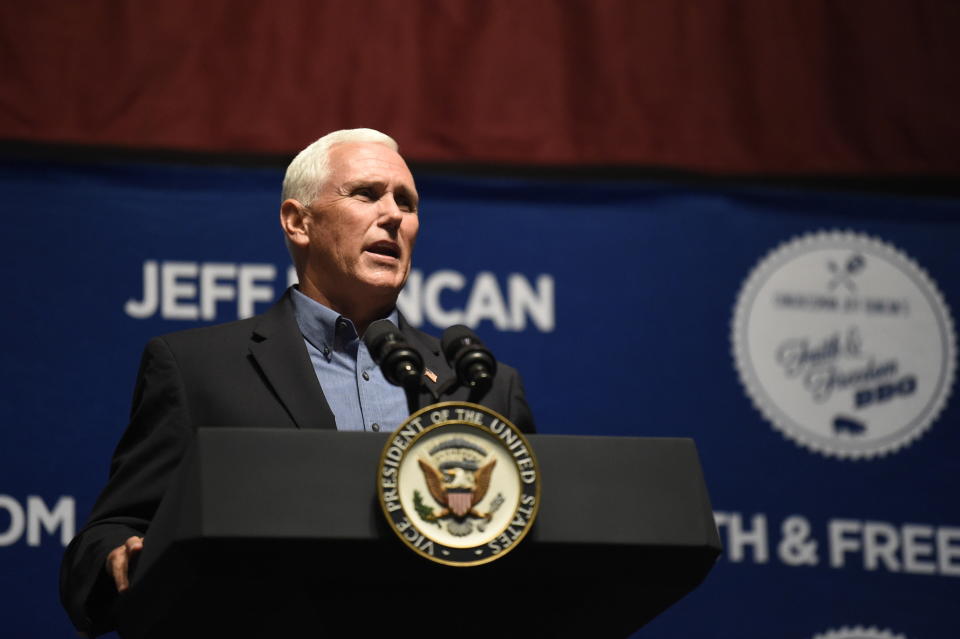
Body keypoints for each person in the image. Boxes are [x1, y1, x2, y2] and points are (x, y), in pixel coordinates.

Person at [59, 128, 535, 636]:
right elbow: (114, 531)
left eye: (407, 201)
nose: (394, 215)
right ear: (297, 222)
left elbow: (534, 555)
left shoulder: (479, 385)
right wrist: (119, 557)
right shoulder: (198, 369)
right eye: (367, 194)